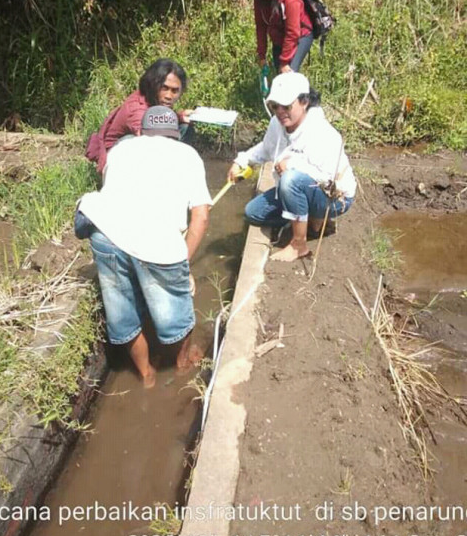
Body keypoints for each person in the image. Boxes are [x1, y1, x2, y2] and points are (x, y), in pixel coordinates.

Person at [77, 106, 212, 388]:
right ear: (176, 134)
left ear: (142, 131)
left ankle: (146, 375)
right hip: (156, 240)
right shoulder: (188, 155)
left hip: (105, 232)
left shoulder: (121, 150)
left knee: (122, 313)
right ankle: (182, 363)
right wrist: (183, 265)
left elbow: (113, 193)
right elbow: (201, 216)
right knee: (177, 310)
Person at [227, 73, 356, 262]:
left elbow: (329, 178)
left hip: (333, 197)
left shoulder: (321, 132)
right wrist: (243, 161)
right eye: (275, 106)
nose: (280, 111)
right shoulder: (277, 124)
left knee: (290, 179)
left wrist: (294, 165)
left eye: (286, 106)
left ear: (304, 102)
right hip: (299, 190)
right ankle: (309, 217)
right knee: (253, 212)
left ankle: (299, 244)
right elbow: (266, 148)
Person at [85, 58, 193, 175]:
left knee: (184, 127)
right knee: (130, 140)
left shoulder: (155, 101)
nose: (169, 96)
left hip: (148, 142)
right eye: (164, 88)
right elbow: (152, 141)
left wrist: (178, 117)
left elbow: (158, 122)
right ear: (153, 85)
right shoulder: (137, 108)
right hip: (116, 160)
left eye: (174, 91)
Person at [254, 0, 314, 75]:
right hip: (279, 37)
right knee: (280, 75)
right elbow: (260, 27)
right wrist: (262, 55)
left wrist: (285, 61)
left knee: (288, 74)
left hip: (301, 36)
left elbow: (293, 32)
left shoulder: (291, 0)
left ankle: (309, 94)